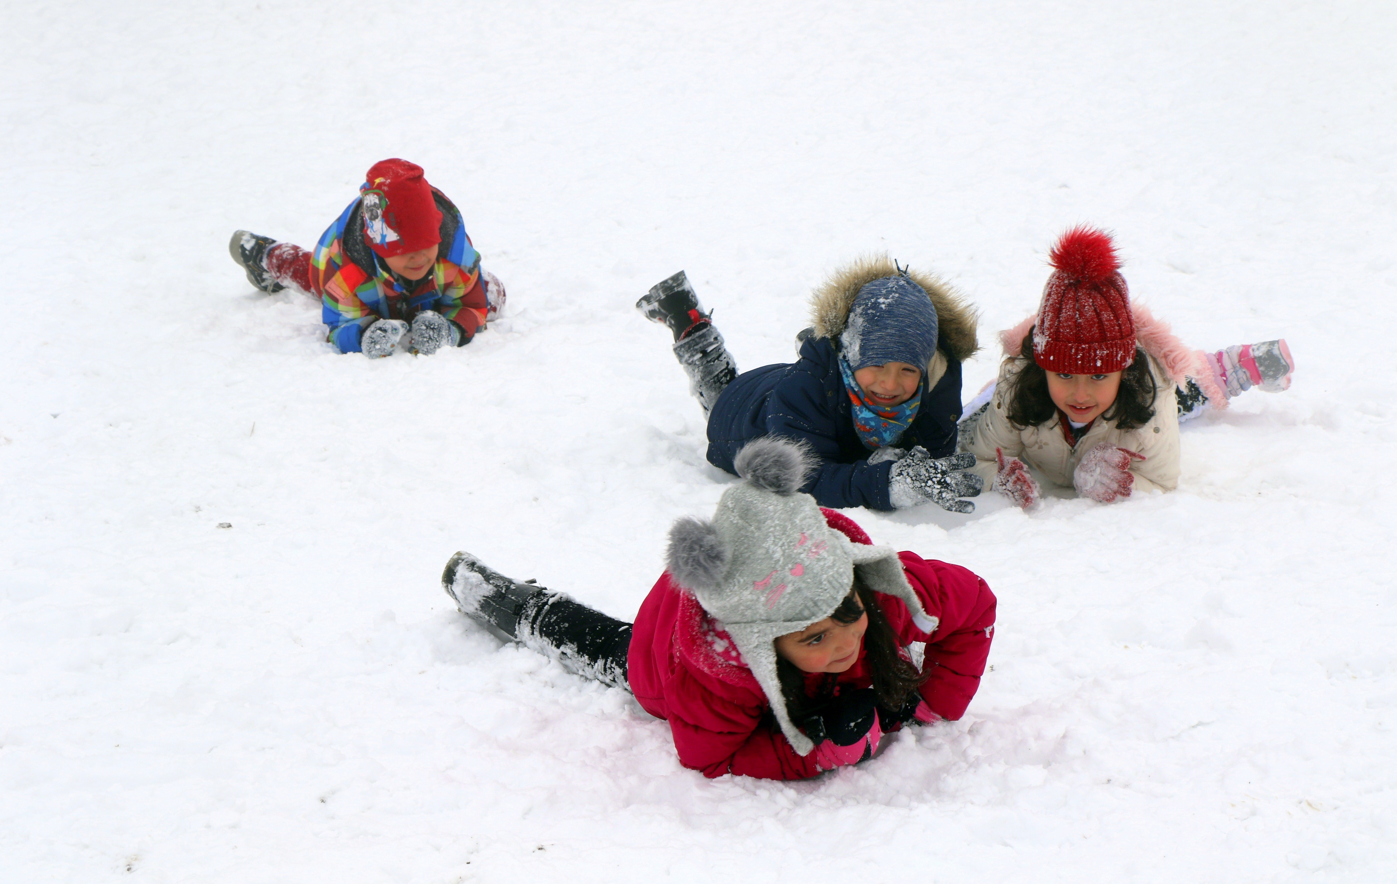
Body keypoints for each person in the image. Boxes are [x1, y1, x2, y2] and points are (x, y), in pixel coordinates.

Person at [442, 437, 997, 780]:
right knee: (608, 647)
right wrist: (817, 752)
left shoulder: (877, 589)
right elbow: (710, 758)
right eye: (811, 639)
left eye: (846, 616)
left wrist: (928, 703)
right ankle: (507, 602)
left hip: (751, 579)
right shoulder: (718, 672)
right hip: (664, 654)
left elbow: (975, 608)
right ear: (763, 644)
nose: (843, 644)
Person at [960, 226, 1295, 507]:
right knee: (980, 412)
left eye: (1099, 375)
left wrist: (1121, 482)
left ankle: (1228, 369)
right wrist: (999, 481)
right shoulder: (1017, 389)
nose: (1080, 393)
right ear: (1042, 367)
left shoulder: (1151, 394)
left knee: (1183, 390)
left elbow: (1162, 483)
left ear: (1124, 369)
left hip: (1134, 402)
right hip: (1027, 395)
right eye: (1063, 374)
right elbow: (978, 459)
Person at [636, 257, 984, 512]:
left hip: (807, 387)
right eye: (875, 364)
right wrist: (887, 483)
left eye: (908, 369)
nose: (890, 383)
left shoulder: (938, 385)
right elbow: (805, 478)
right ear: (851, 355)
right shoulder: (803, 393)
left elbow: (935, 448)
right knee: (720, 390)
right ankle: (689, 323)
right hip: (746, 415)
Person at [228, 158, 505, 358]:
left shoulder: (454, 259)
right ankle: (264, 255)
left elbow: (474, 305)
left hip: (429, 286)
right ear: (379, 248)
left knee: (491, 293)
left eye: (426, 243)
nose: (418, 257)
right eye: (404, 250)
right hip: (342, 267)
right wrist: (363, 335)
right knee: (311, 276)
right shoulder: (348, 275)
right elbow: (337, 327)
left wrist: (452, 329)